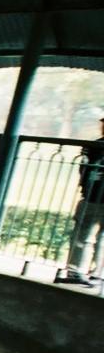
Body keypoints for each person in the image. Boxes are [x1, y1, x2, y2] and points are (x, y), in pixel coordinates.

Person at [55, 114, 104, 285]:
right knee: (94, 237)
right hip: (93, 196)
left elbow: (85, 170)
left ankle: (78, 272)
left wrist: (87, 186)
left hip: (93, 197)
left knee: (83, 236)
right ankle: (95, 275)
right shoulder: (94, 146)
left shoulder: (94, 146)